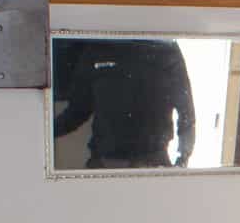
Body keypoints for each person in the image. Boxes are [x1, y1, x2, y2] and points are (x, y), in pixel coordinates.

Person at [53, 38, 195, 168]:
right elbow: (77, 111)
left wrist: (182, 160)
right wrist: (43, 133)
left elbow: (186, 111)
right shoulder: (97, 49)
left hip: (152, 164)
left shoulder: (165, 49)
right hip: (105, 165)